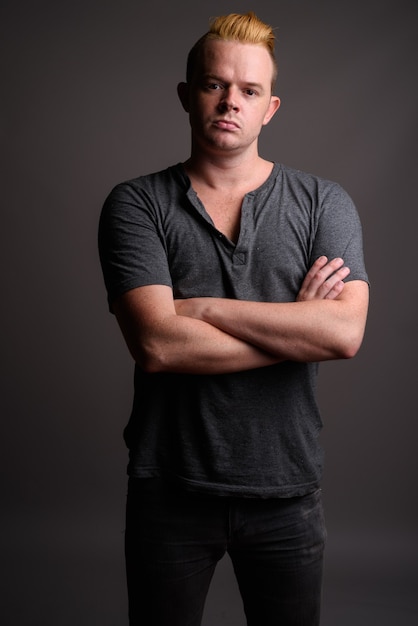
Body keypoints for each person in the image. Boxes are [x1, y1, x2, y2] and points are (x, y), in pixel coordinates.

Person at [98, 11, 369, 626]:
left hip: (288, 493)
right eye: (213, 84)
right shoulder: (136, 203)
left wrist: (205, 308)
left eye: (249, 91)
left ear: (270, 108)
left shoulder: (325, 203)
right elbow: (160, 347)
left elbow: (345, 333)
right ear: (186, 95)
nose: (230, 102)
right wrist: (300, 328)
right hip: (169, 489)